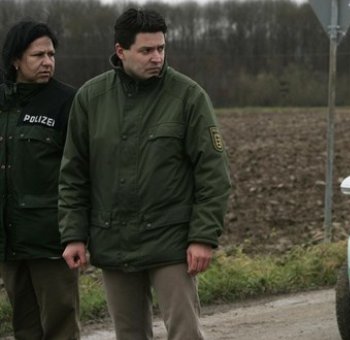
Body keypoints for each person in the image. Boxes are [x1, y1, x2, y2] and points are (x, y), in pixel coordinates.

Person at [59, 8, 231, 340]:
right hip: (114, 241)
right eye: (146, 50)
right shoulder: (91, 99)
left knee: (185, 332)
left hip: (171, 242)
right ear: (121, 51)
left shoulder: (188, 96)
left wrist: (203, 237)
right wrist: (74, 234)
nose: (157, 57)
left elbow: (214, 172)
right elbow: (73, 174)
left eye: (161, 48)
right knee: (129, 334)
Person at [0, 21, 80, 339]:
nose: (48, 62)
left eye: (51, 54)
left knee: (61, 324)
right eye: (38, 55)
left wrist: (76, 232)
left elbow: (79, 171)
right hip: (8, 239)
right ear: (15, 60)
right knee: (23, 326)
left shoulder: (67, 101)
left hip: (51, 238)